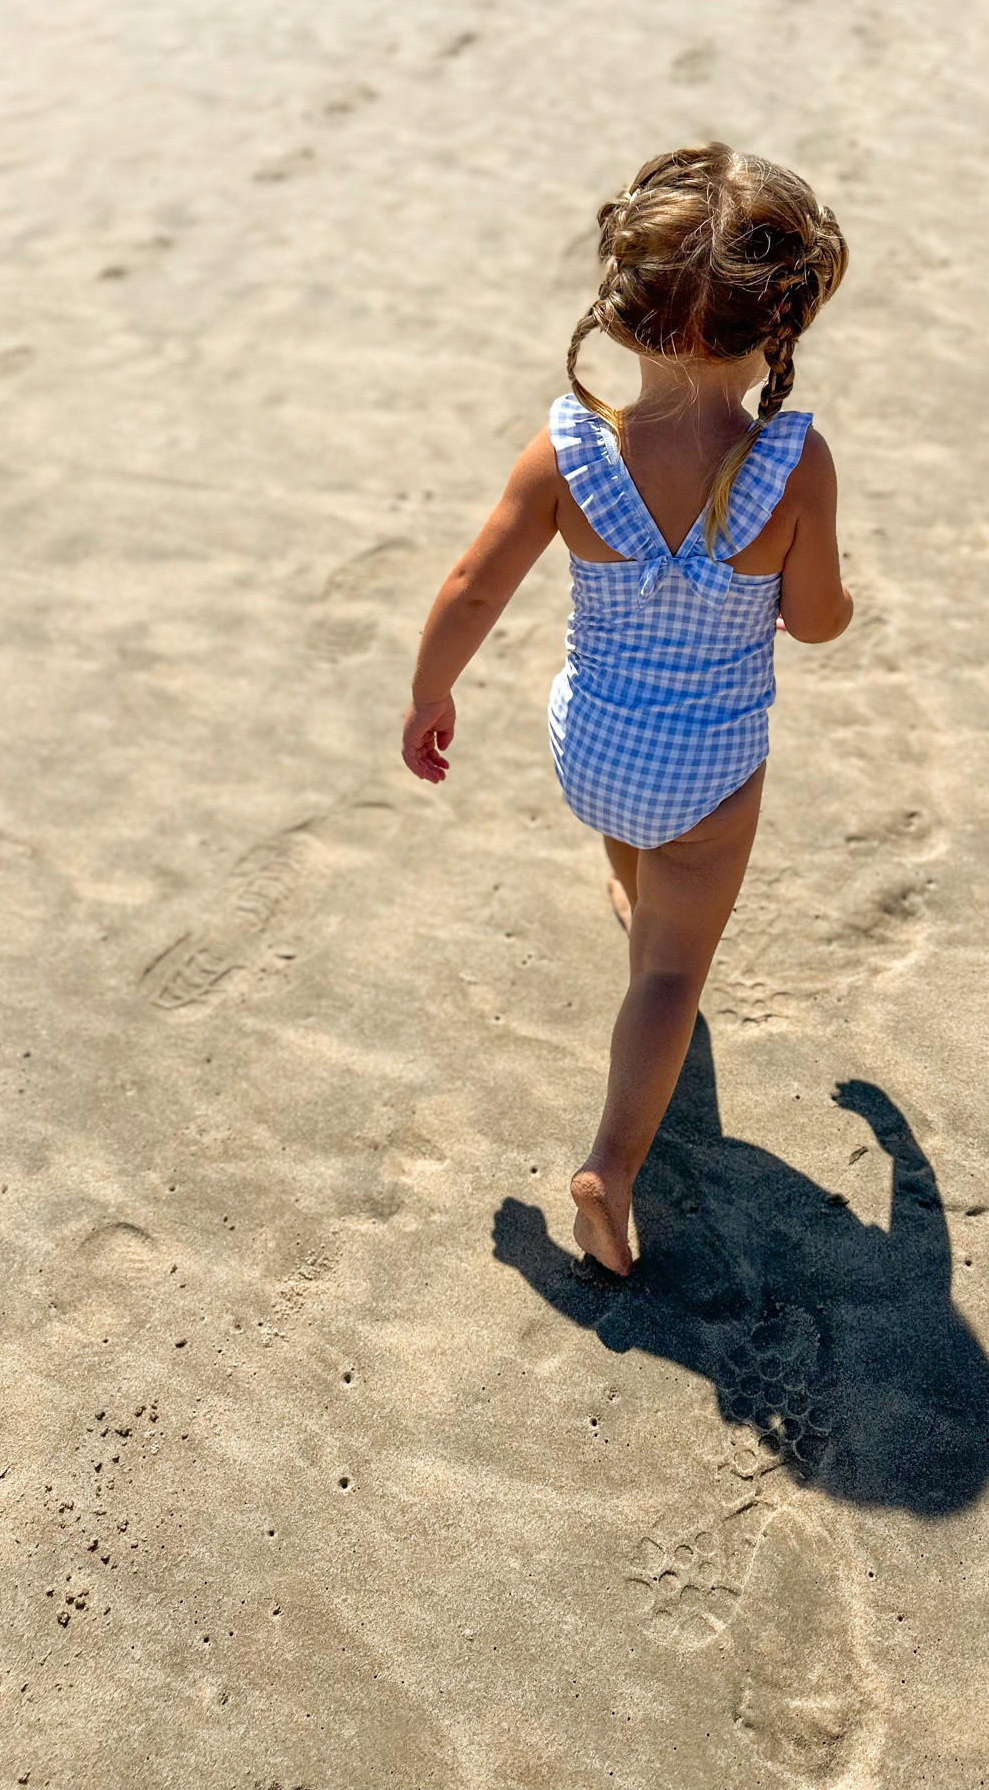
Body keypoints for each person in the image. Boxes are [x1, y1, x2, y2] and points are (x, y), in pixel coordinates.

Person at [402, 143, 852, 1276]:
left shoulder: (567, 447)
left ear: (626, 313)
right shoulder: (788, 466)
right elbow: (816, 618)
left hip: (590, 747)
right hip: (706, 769)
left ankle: (627, 876)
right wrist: (823, 588)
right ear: (777, 328)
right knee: (667, 977)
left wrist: (429, 693)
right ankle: (610, 1165)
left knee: (631, 821)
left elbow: (471, 587)